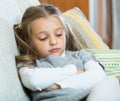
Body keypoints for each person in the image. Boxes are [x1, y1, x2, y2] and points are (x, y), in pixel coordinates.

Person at [14, 4, 120, 101]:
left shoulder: (81, 56)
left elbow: (98, 76)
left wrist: (58, 85)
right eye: (43, 38)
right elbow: (33, 80)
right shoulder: (30, 64)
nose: (53, 42)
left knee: (111, 81)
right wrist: (72, 71)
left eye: (59, 34)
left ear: (65, 33)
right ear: (29, 41)